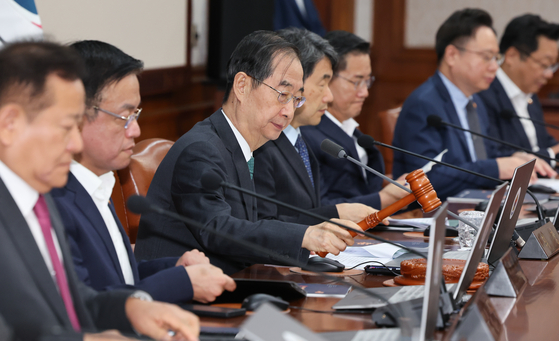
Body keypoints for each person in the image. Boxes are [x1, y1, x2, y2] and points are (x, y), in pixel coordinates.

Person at [0, 41, 198, 341]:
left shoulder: (38, 200)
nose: (76, 144)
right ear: (9, 124)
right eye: (66, 126)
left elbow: (72, 301)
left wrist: (134, 308)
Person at [135, 31, 360, 275]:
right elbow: (218, 229)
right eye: (283, 94)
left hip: (231, 283)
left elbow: (252, 225)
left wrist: (318, 228)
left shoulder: (243, 146)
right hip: (183, 297)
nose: (288, 111)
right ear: (242, 86)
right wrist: (303, 235)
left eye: (296, 99)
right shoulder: (200, 150)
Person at [50, 40, 235, 304]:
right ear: (77, 115)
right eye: (124, 117)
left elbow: (117, 277)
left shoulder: (97, 184)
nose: (135, 130)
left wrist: (176, 267)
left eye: (136, 114)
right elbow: (85, 306)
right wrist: (181, 283)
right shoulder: (54, 200)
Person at [392, 9, 554, 201]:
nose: (494, 66)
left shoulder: (474, 100)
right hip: (432, 217)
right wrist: (497, 167)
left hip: (475, 206)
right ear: (452, 55)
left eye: (496, 58)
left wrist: (518, 158)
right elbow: (426, 180)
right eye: (486, 57)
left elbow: (486, 153)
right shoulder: (424, 105)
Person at [254, 28, 376, 225]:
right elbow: (264, 225)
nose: (328, 96)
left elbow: (307, 211)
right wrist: (336, 213)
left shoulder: (301, 142)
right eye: (322, 84)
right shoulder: (262, 145)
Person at [302, 30, 408, 209]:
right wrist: (384, 198)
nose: (365, 92)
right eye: (357, 81)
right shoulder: (306, 132)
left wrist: (390, 187)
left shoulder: (352, 129)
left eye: (368, 81)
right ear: (326, 78)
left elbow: (362, 188)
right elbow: (319, 207)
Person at [479, 14, 559, 167]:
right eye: (544, 64)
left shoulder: (530, 94)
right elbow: (496, 157)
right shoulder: (483, 95)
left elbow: (543, 142)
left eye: (553, 66)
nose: (549, 74)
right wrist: (550, 154)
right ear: (512, 56)